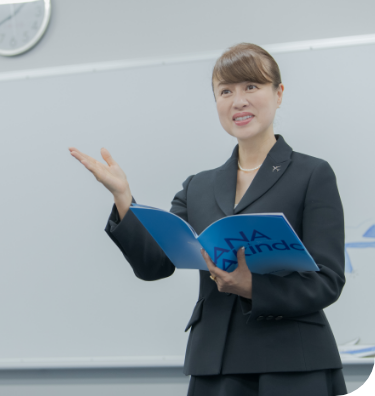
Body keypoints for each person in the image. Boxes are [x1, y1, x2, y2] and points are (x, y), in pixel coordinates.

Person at [68, 43, 347, 395]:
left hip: (292, 363)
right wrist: (123, 196)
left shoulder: (312, 174)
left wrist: (252, 286)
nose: (238, 101)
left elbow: (327, 280)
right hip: (216, 364)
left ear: (278, 94)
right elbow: (155, 265)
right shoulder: (198, 186)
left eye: (251, 86)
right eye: (225, 91)